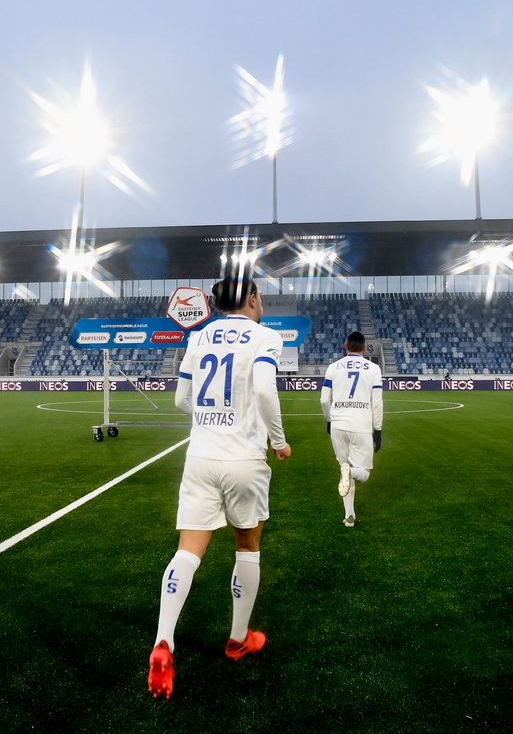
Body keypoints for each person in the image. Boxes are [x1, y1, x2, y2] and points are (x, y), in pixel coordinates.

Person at [148, 275, 292, 699]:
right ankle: (237, 639)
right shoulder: (265, 336)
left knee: (187, 551)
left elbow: (181, 400)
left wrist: (213, 418)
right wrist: (279, 441)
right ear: (252, 299)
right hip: (243, 459)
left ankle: (163, 640)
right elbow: (263, 388)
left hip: (200, 457)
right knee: (247, 547)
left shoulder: (199, 336)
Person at [320, 331, 384, 527]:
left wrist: (329, 419)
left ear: (345, 345)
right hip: (361, 425)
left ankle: (350, 515)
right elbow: (377, 402)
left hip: (338, 425)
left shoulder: (333, 367)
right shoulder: (373, 369)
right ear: (365, 347)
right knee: (363, 472)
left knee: (344, 468)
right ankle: (351, 473)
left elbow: (324, 400)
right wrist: (378, 429)